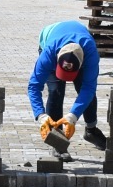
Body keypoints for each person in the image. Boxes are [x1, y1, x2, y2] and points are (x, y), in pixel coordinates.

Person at [29, 20, 106, 153]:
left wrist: (73, 116)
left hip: (80, 45)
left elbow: (88, 88)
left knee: (86, 90)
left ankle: (91, 131)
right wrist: (40, 115)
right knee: (55, 91)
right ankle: (57, 139)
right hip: (51, 38)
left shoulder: (90, 55)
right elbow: (34, 86)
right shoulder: (48, 54)